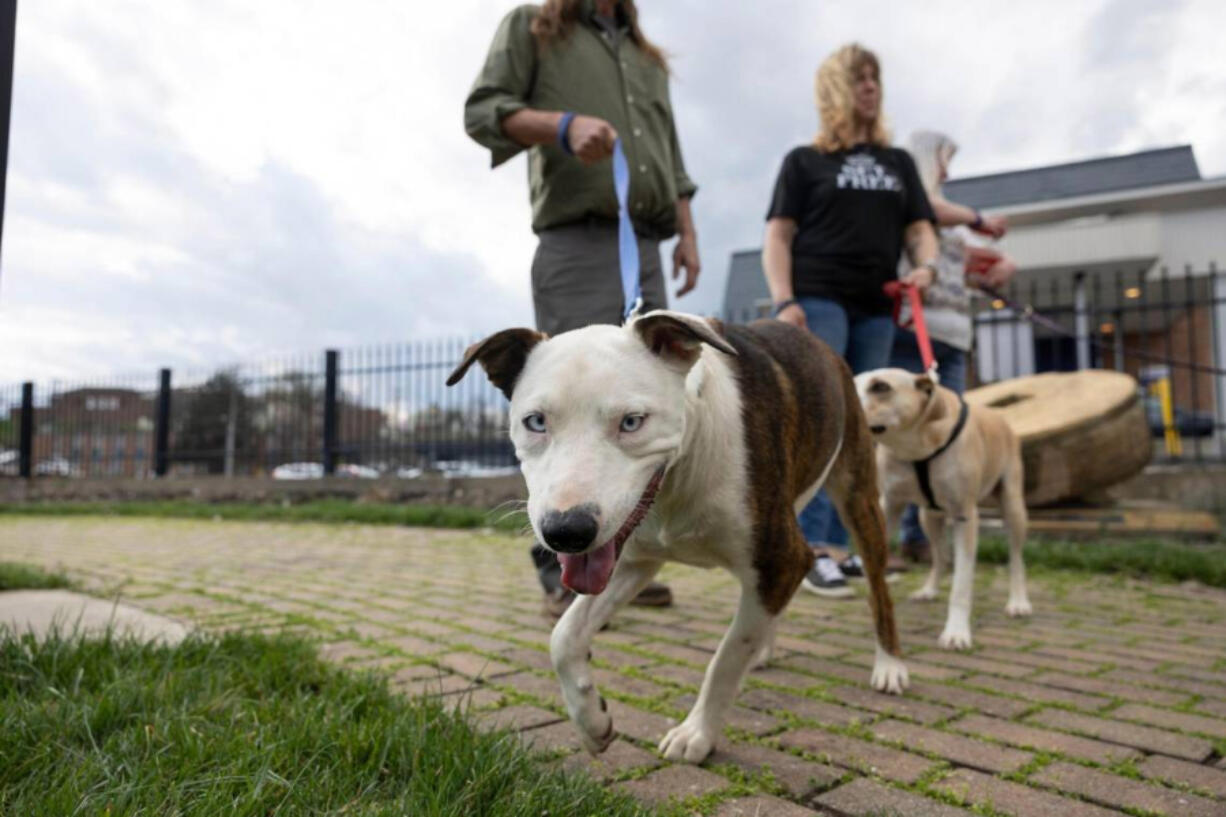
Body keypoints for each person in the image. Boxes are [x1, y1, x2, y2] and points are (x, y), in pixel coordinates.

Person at [465, 0, 699, 617]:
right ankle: (560, 573)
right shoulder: (533, 26)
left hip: (645, 245)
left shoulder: (646, 58)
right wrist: (561, 126)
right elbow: (484, 110)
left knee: (638, 412)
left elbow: (671, 158)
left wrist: (688, 234)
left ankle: (624, 565)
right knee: (562, 408)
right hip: (576, 240)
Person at [761, 43, 940, 598]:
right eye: (859, 78)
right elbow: (778, 236)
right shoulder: (804, 161)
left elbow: (919, 229)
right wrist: (784, 300)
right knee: (824, 419)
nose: (871, 87)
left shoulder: (898, 163)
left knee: (864, 428)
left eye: (875, 78)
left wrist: (927, 268)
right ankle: (807, 548)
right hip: (817, 300)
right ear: (837, 89)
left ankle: (844, 548)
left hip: (875, 304)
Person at [890, 130, 1018, 560]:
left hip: (953, 337)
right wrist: (976, 218)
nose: (947, 168)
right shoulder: (912, 201)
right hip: (913, 335)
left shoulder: (947, 219)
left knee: (945, 435)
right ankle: (897, 532)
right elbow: (931, 210)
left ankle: (922, 535)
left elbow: (960, 266)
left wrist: (997, 269)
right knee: (903, 435)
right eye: (944, 158)